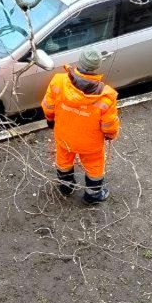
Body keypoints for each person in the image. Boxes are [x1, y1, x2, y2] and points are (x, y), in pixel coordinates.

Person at [42, 48, 119, 205]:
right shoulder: (106, 95)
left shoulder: (58, 81)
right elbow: (109, 125)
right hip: (90, 142)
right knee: (94, 167)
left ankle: (66, 187)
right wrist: (111, 135)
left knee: (63, 161)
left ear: (80, 62)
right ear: (96, 67)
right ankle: (92, 195)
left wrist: (50, 120)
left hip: (63, 135)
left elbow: (48, 106)